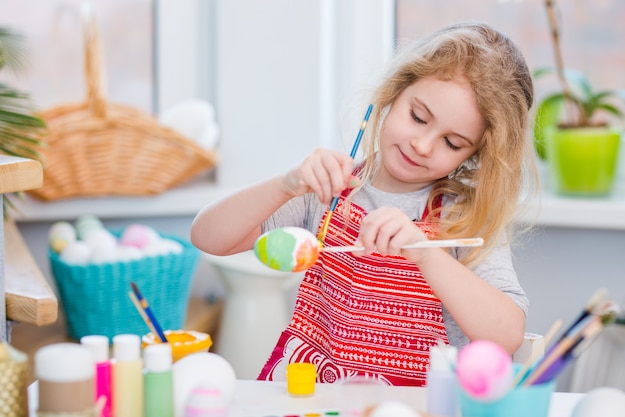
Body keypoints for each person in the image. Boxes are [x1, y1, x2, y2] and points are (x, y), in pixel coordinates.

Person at [191, 21, 539, 386]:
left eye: (452, 143)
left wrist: (426, 253)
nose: (423, 145)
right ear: (394, 93)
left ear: (475, 154)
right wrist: (285, 184)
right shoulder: (328, 191)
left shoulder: (466, 217)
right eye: (418, 117)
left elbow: (506, 335)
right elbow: (209, 237)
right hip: (318, 401)